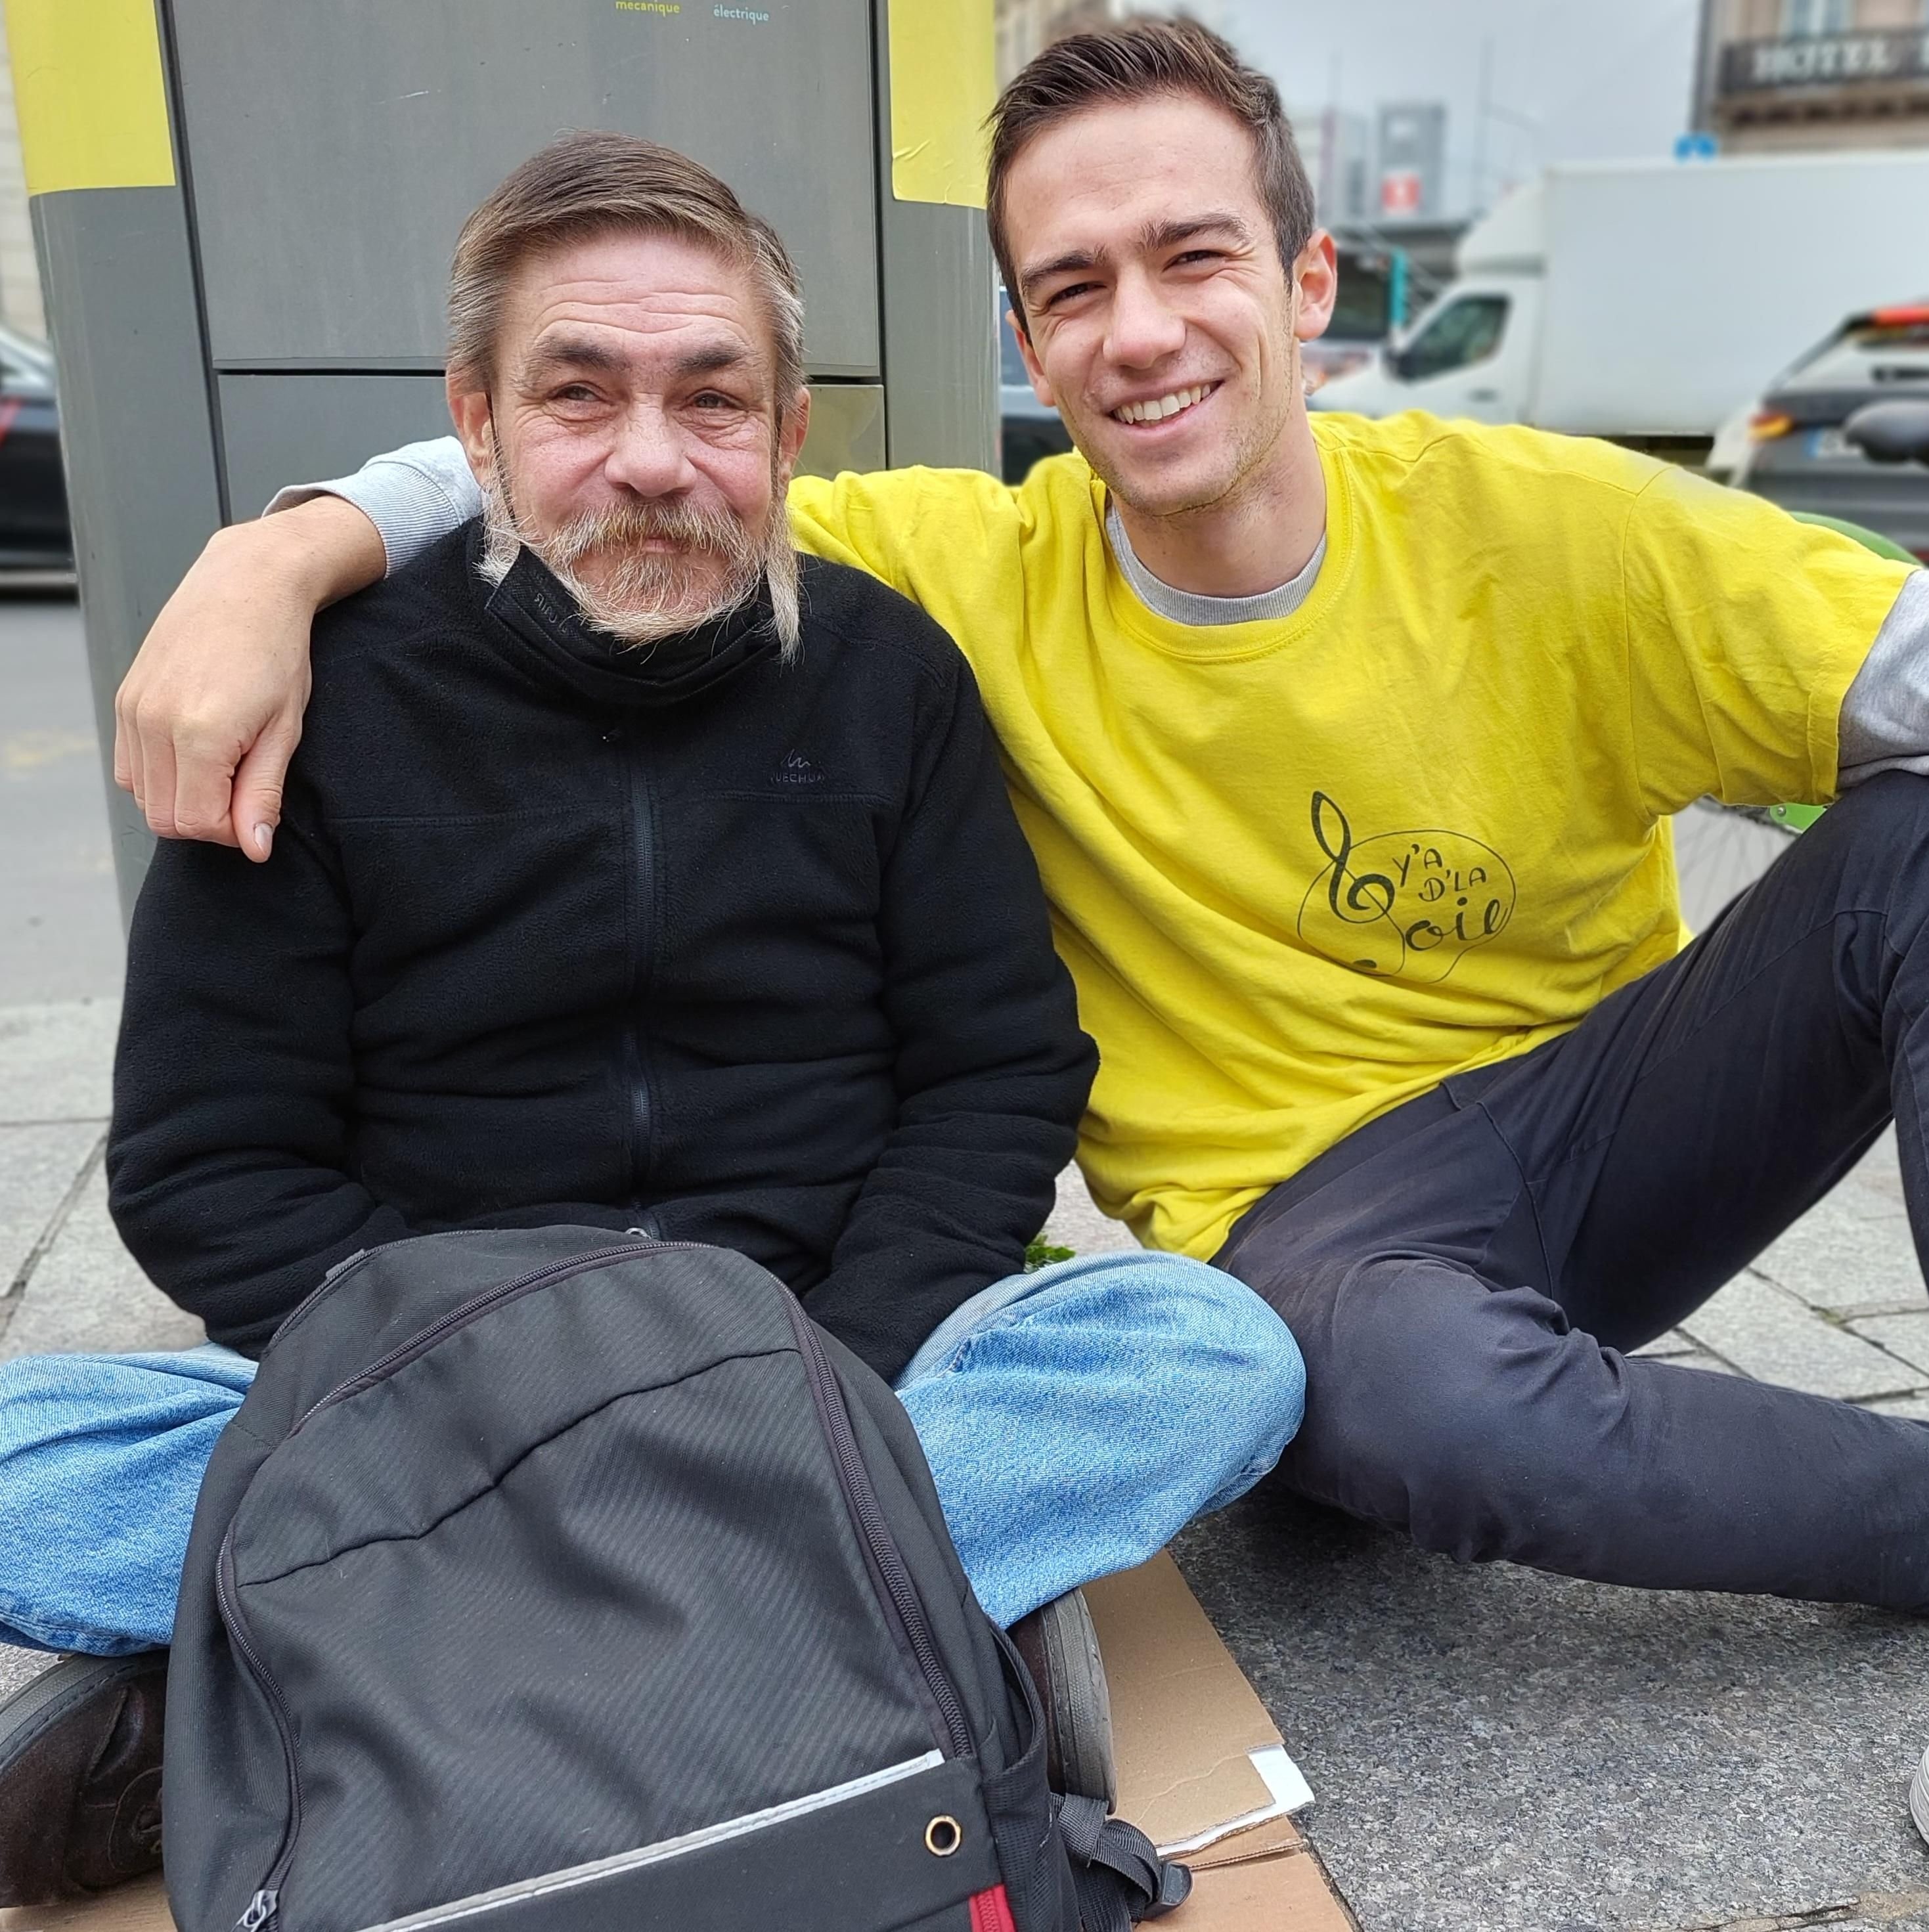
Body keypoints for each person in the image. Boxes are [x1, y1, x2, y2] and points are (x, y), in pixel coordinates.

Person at [105, 18, 1929, 1927]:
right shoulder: (947, 569)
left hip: (1580, 1134)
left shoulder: (1547, 528)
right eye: (1070, 289)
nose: (1138, 332)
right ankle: (747, 1585)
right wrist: (276, 553)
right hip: (1299, 1255)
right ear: (1022, 335)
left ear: (1305, 288)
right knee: (1288, 1370)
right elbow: (602, 457)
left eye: (1192, 258)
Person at [0, 131, 1308, 1910]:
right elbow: (205, 1161)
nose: (645, 460)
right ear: (476, 427)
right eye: (577, 394)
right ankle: (870, 1647)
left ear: (783, 437)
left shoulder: (889, 682)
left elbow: (994, 1079)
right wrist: (492, 1409)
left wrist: (817, 1379)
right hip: (422, 1394)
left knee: (1206, 1351)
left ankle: (313, 1676)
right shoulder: (314, 706)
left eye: (710, 400)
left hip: (825, 1368)